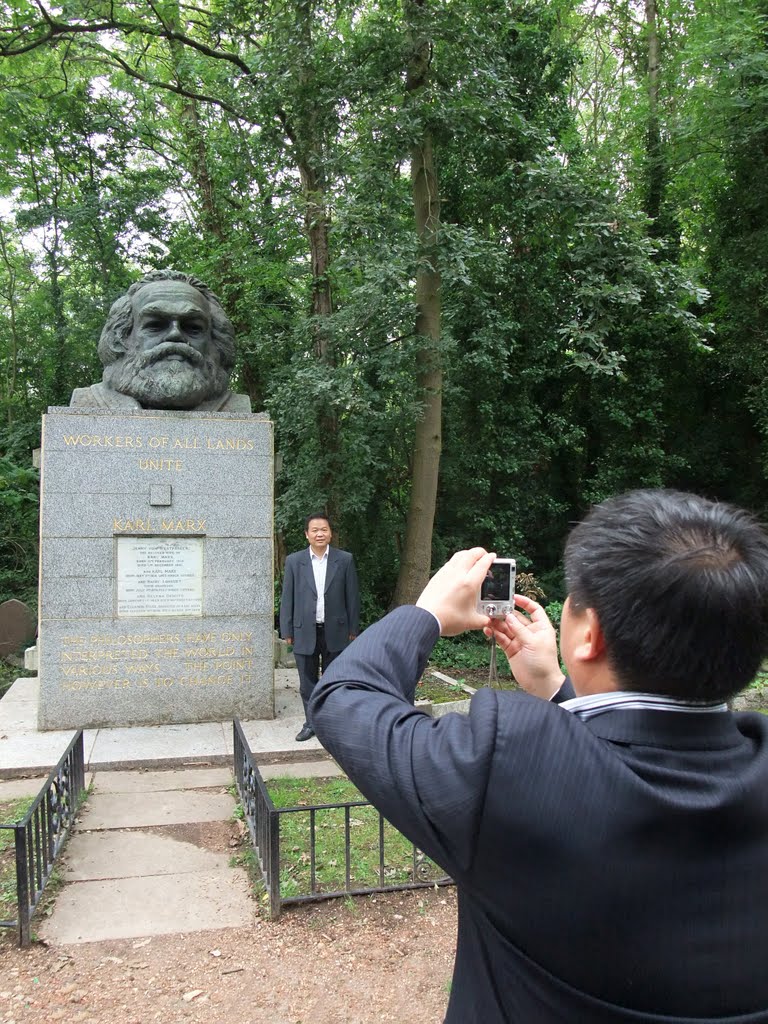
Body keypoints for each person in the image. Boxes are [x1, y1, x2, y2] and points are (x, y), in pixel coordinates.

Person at [309, 489, 768, 1023]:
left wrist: (426, 612)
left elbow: (345, 698)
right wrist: (557, 686)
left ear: (589, 634)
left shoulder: (507, 763)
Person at [69, 269, 251, 412]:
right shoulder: (88, 404)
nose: (175, 335)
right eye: (155, 325)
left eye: (193, 327)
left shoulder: (236, 409)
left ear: (215, 342)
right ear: (121, 337)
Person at [280, 513, 360, 742]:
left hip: (336, 630)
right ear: (307, 534)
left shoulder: (344, 559)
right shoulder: (295, 561)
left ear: (330, 533)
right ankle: (311, 724)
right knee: (307, 683)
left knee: (334, 680)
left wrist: (353, 627)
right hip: (304, 630)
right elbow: (288, 597)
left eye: (323, 529)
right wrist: (286, 630)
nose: (319, 534)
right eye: (314, 530)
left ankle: (333, 723)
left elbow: (352, 596)